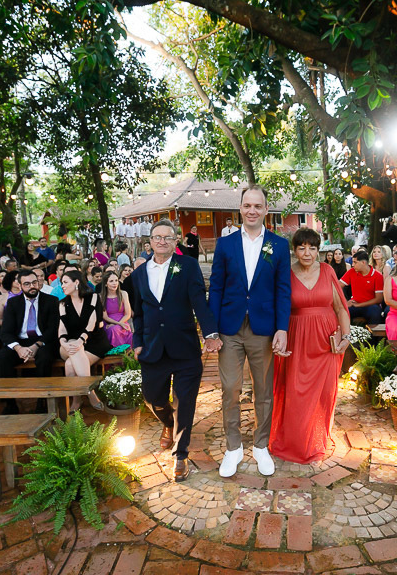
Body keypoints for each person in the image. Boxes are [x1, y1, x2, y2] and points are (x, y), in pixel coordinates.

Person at [209, 185, 291, 477]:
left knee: (263, 390)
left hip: (263, 329)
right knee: (230, 388)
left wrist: (282, 328)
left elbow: (283, 290)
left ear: (266, 210)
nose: (252, 210)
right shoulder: (226, 244)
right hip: (230, 328)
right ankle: (233, 448)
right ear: (240, 208)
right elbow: (216, 288)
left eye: (258, 206)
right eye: (247, 206)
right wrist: (211, 331)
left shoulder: (279, 245)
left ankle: (260, 445)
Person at [133, 219, 219, 481]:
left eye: (168, 237)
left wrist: (211, 333)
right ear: (149, 242)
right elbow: (138, 312)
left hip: (184, 348)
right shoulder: (138, 273)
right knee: (153, 398)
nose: (162, 241)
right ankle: (168, 424)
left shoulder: (189, 266)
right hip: (152, 348)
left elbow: (199, 303)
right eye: (157, 237)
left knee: (185, 402)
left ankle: (180, 456)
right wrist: (137, 341)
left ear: (175, 241)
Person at [270, 228, 350, 464]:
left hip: (325, 340)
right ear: (294, 250)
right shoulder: (284, 272)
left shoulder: (327, 271)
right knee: (295, 392)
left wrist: (345, 336)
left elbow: (340, 308)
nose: (307, 253)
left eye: (312, 248)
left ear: (318, 250)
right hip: (295, 339)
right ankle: (294, 441)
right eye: (302, 247)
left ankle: (317, 439)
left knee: (324, 392)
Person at [0, 270, 61, 414]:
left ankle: (42, 401)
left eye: (34, 282)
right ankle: (10, 403)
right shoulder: (13, 303)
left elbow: (53, 329)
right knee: (0, 359)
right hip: (20, 342)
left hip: (43, 341)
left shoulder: (51, 301)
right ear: (19, 285)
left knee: (44, 358)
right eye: (27, 283)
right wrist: (18, 348)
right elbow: (6, 331)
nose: (32, 286)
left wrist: (37, 345)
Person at [57, 270, 109, 413]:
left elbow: (92, 322)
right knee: (74, 346)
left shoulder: (93, 297)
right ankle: (91, 393)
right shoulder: (62, 304)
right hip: (69, 344)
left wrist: (81, 340)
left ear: (76, 282)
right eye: (62, 283)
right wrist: (63, 343)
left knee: (69, 365)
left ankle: (76, 400)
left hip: (94, 342)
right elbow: (62, 328)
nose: (62, 286)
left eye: (65, 282)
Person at [339, 250, 385, 324]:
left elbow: (379, 299)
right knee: (341, 312)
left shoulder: (377, 276)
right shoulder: (352, 271)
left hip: (370, 306)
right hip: (354, 304)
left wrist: (359, 305)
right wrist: (345, 302)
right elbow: (337, 286)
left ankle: (374, 335)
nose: (353, 265)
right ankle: (345, 334)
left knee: (375, 311)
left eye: (355, 262)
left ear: (363, 263)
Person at [100, 271, 133, 347]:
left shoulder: (123, 294)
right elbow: (105, 317)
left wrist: (120, 323)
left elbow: (128, 314)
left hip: (123, 321)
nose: (115, 283)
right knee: (113, 329)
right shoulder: (101, 297)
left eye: (116, 280)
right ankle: (117, 354)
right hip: (109, 324)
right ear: (106, 284)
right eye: (111, 281)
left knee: (117, 329)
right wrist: (117, 324)